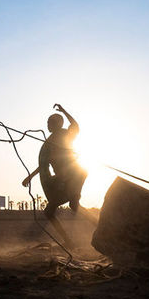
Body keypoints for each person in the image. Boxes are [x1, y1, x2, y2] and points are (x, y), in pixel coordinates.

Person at [21, 104, 88, 247]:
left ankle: (95, 223)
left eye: (50, 122)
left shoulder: (65, 135)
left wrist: (64, 111)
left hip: (74, 176)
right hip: (63, 179)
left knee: (72, 204)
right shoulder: (48, 144)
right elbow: (44, 165)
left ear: (57, 123)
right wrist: (30, 177)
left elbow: (75, 125)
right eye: (47, 122)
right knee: (50, 211)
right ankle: (70, 240)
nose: (47, 125)